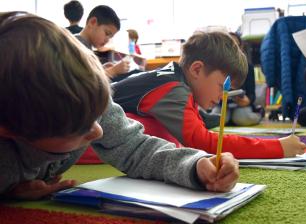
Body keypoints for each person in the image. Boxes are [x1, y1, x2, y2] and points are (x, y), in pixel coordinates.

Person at [0, 12, 239, 200]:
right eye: (79, 127)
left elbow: (135, 147)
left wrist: (195, 165)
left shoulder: (89, 103)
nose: (98, 131)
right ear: (10, 130)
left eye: (97, 114)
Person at [112, 31, 306, 159]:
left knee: (169, 135)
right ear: (197, 69)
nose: (223, 96)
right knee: (165, 136)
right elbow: (204, 142)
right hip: (90, 125)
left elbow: (202, 121)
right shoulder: (173, 89)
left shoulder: (177, 79)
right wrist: (276, 147)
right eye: (222, 87)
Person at [212, 32, 264, 126]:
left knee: (241, 118)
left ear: (240, 48)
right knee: (218, 119)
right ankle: (231, 119)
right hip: (223, 105)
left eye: (235, 45)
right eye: (228, 45)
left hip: (241, 105)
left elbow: (251, 93)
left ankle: (259, 114)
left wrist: (247, 100)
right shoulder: (216, 67)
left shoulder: (248, 67)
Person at [76, 5, 130, 80]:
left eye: (110, 37)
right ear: (92, 22)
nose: (107, 40)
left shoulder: (83, 45)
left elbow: (88, 73)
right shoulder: (77, 46)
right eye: (107, 33)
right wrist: (113, 71)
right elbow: (87, 81)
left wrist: (102, 69)